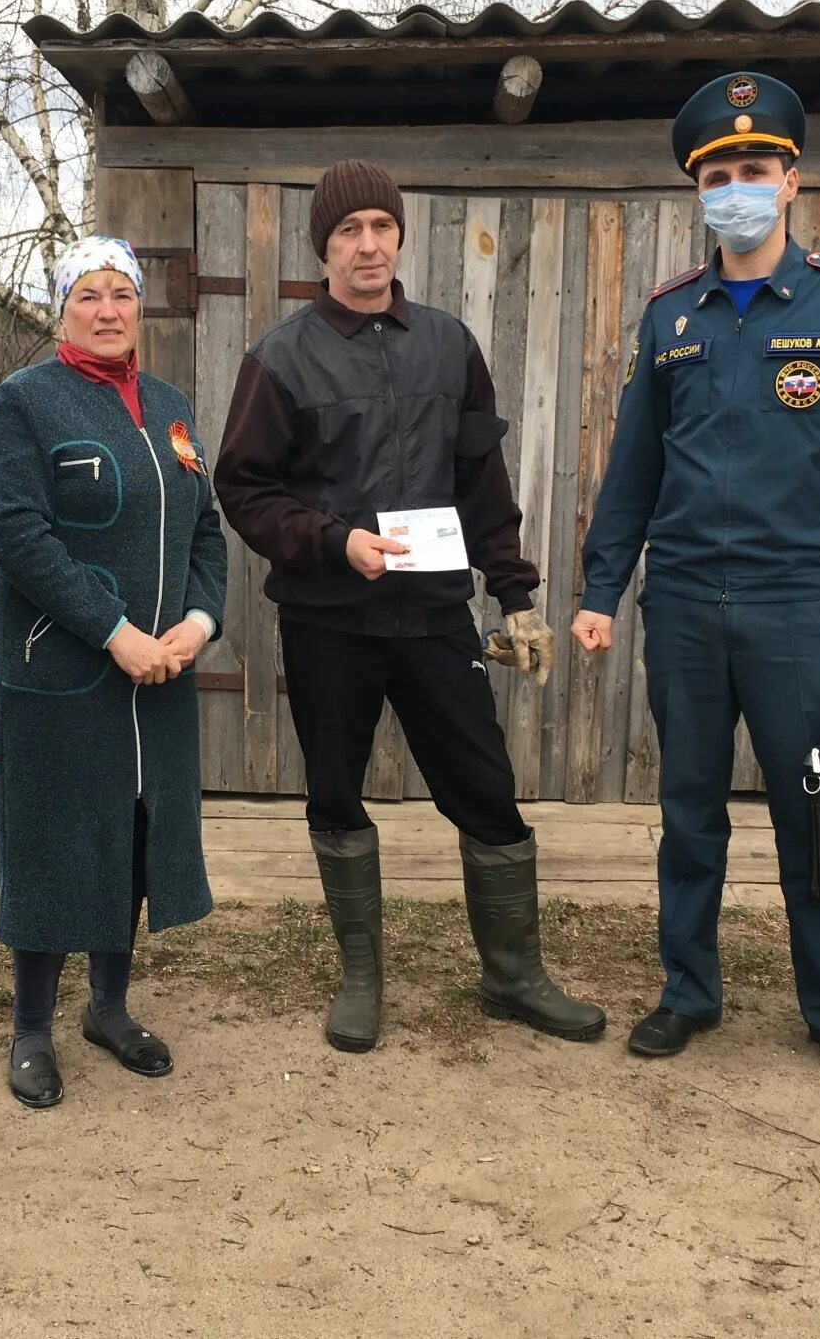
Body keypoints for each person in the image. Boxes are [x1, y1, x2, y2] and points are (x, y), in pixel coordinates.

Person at [573, 72, 820, 1094]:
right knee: (687, 813)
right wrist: (601, 588)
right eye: (717, 172)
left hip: (795, 612)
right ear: (698, 190)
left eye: (753, 169)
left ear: (788, 181)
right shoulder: (668, 318)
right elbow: (632, 466)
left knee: (814, 818)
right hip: (680, 604)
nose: (736, 184)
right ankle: (687, 993)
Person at [214, 160, 605, 1054]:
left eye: (380, 227)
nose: (367, 246)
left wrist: (514, 596)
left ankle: (514, 975)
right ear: (325, 248)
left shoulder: (447, 344)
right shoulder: (280, 356)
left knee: (487, 793)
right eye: (348, 231)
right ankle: (361, 976)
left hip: (435, 618)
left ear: (399, 236)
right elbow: (244, 488)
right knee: (336, 797)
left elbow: (482, 480)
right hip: (327, 620)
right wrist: (331, 541)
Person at [0, 237, 228, 1110]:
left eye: (123, 293)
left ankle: (109, 1009)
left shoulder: (169, 407)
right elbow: (19, 536)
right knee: (53, 838)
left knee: (131, 832)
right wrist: (116, 631)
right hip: (64, 667)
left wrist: (197, 623)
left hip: (159, 674)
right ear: (61, 310)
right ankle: (32, 1028)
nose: (110, 309)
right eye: (89, 294)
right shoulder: (24, 404)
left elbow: (206, 530)